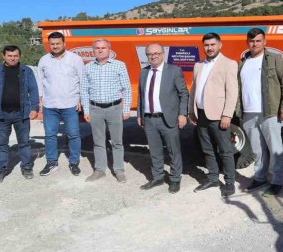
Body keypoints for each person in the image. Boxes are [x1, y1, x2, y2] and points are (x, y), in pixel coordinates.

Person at [236, 28, 283, 196]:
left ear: (264, 42)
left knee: (274, 148)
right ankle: (260, 178)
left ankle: (277, 181)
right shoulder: (243, 62)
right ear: (247, 42)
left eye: (258, 41)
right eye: (252, 41)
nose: (255, 44)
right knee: (257, 149)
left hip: (269, 112)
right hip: (249, 112)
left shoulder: (275, 59)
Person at [188, 33, 239, 197]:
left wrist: (227, 115)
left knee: (225, 150)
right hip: (201, 114)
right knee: (207, 149)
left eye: (212, 44)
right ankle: (212, 178)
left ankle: (229, 182)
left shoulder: (229, 64)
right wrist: (191, 110)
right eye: (206, 45)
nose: (209, 48)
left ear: (220, 45)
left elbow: (232, 92)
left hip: (219, 115)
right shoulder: (198, 65)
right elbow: (193, 90)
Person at [137, 43, 189, 194]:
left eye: (156, 53)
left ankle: (175, 179)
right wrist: (140, 114)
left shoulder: (174, 71)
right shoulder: (144, 72)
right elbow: (141, 96)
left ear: (163, 54)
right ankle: (158, 177)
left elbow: (183, 94)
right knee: (154, 151)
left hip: (168, 118)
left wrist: (182, 114)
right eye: (149, 54)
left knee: (173, 151)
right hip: (149, 119)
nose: (153, 56)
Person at [0, 45, 40, 183]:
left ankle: (26, 167)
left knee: (24, 143)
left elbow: (33, 90)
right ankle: (0, 170)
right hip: (1, 114)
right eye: (9, 56)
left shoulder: (26, 71)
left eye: (15, 56)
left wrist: (34, 108)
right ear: (3, 56)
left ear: (19, 56)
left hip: (22, 114)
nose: (12, 58)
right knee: (1, 144)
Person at [80, 39, 132, 183]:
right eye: (97, 48)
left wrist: (126, 109)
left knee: (117, 142)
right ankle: (100, 170)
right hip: (95, 109)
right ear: (93, 51)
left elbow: (126, 89)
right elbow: (84, 90)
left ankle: (119, 170)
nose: (100, 50)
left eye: (103, 48)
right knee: (98, 142)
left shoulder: (119, 65)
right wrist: (86, 111)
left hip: (114, 108)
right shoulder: (88, 67)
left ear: (109, 50)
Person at [37, 32, 85, 177]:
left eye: (58, 43)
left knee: (73, 135)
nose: (55, 46)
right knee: (50, 135)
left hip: (70, 104)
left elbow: (82, 80)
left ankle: (74, 162)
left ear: (64, 43)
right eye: (52, 44)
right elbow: (40, 81)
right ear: (49, 44)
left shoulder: (75, 59)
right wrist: (40, 100)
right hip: (50, 105)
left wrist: (81, 100)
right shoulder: (44, 60)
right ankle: (51, 162)